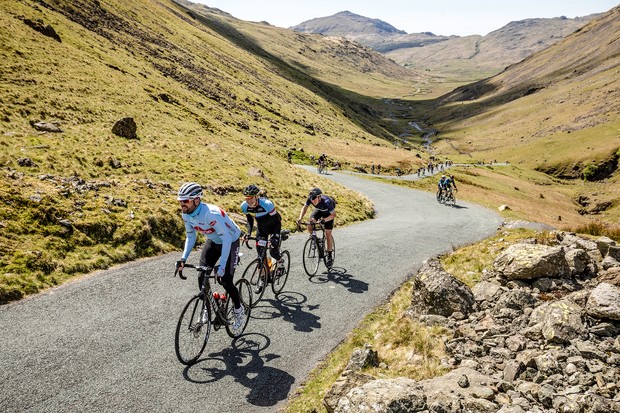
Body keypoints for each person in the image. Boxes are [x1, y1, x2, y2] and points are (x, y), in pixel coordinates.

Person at [175, 182, 245, 329]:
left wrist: (222, 266)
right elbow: (191, 237)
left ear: (196, 200)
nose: (182, 204)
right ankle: (208, 307)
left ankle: (239, 310)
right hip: (213, 241)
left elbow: (226, 239)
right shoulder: (186, 214)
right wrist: (183, 259)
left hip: (230, 241)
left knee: (225, 280)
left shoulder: (210, 214)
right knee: (201, 276)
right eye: (180, 201)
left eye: (185, 200)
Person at [240, 184, 283, 293]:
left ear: (256, 196)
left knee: (273, 252)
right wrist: (249, 233)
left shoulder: (267, 204)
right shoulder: (244, 206)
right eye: (246, 198)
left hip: (274, 227)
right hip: (262, 230)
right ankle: (263, 279)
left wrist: (276, 236)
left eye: (250, 198)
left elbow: (277, 221)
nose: (248, 200)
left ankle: (280, 262)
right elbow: (249, 220)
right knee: (260, 256)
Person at [297, 187, 336, 268]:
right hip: (318, 210)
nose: (313, 201)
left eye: (314, 199)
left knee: (328, 233)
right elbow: (305, 208)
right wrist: (300, 218)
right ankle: (314, 238)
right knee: (310, 222)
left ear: (319, 197)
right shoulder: (311, 199)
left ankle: (329, 256)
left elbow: (333, 215)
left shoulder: (327, 201)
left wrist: (324, 220)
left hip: (328, 214)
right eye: (312, 200)